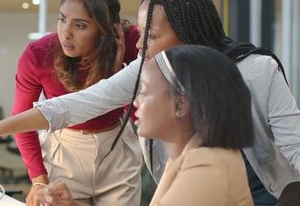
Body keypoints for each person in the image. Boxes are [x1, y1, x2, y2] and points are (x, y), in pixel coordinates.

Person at [0, 0, 300, 205]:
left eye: (150, 37)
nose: (140, 49)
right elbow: (72, 106)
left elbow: (294, 149)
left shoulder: (255, 71)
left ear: (188, 36)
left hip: (267, 189)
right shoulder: (151, 68)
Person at [34, 45, 255, 206]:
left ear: (180, 104)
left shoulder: (206, 170)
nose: (135, 102)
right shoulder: (191, 155)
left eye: (145, 92)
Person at [12, 0, 142, 206]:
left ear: (104, 29)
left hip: (116, 148)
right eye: (62, 19)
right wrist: (38, 180)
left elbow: (141, 108)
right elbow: (23, 122)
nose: (66, 33)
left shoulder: (130, 42)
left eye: (80, 25)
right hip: (64, 152)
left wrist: (119, 72)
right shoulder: (38, 53)